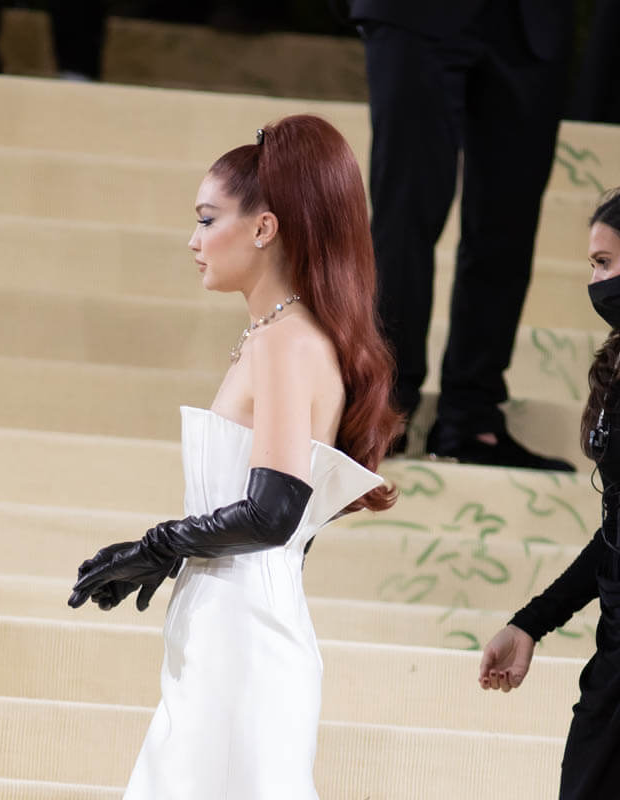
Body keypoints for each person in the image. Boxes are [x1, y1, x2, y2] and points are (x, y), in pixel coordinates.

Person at [68, 114, 399, 798]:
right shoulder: (279, 336)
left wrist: (158, 545)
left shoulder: (284, 342)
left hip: (244, 636)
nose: (193, 241)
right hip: (235, 624)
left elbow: (275, 514)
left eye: (207, 219)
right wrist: (169, 555)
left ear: (264, 228)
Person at [349, 0, 573, 469]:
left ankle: (472, 416)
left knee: (509, 222)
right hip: (415, 13)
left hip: (530, 20)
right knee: (404, 213)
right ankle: (384, 408)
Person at [478, 191, 620, 800]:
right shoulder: (617, 366)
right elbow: (616, 533)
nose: (597, 281)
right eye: (594, 265)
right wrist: (532, 623)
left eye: (606, 263)